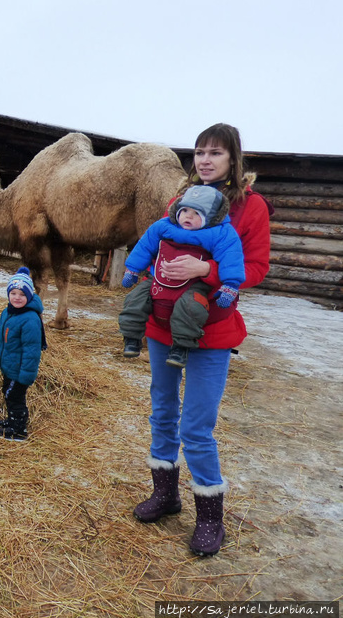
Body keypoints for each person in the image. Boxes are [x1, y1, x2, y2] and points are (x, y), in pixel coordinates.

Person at [131, 123, 271, 557]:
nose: (206, 160)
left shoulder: (251, 207)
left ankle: (210, 515)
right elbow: (156, 245)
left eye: (216, 153)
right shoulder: (180, 200)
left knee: (197, 425)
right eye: (200, 152)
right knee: (162, 408)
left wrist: (204, 271)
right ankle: (166, 494)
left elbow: (257, 268)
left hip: (213, 331)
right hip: (162, 324)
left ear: (234, 159)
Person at [118, 185, 245, 369]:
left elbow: (232, 259)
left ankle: (180, 347)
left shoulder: (220, 233)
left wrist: (230, 285)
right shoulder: (164, 226)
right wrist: (132, 269)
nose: (188, 216)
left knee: (191, 308)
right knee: (134, 299)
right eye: (184, 210)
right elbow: (145, 245)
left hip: (193, 285)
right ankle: (131, 338)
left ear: (210, 216)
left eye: (196, 213)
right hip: (159, 279)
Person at [0, 266, 47, 441]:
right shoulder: (8, 312)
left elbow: (32, 352)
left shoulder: (29, 319)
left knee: (15, 397)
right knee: (7, 392)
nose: (17, 298)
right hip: (9, 366)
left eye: (22, 295)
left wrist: (26, 376)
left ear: (29, 296)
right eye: (13, 293)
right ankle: (12, 421)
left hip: (20, 370)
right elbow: (0, 339)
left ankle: (19, 430)